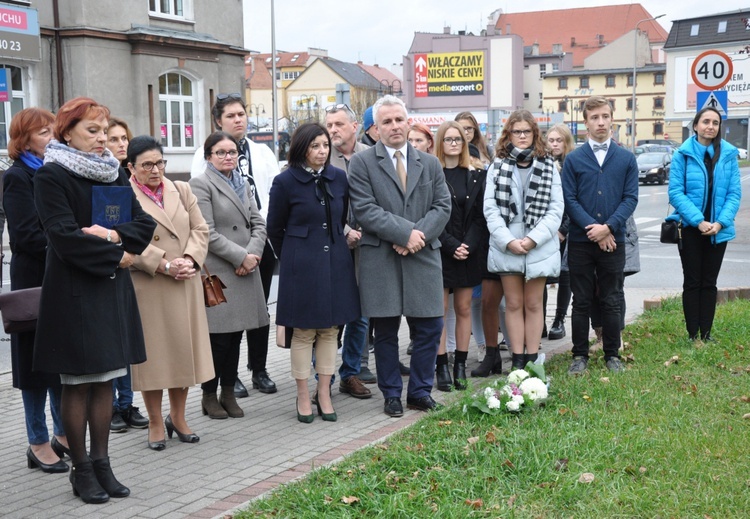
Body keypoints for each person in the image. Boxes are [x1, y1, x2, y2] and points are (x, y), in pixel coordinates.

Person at [33, 97, 156, 503]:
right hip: (74, 293)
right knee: (78, 383)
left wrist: (110, 237)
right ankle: (81, 469)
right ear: (67, 132)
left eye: (105, 131)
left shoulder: (112, 173)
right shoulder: (52, 176)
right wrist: (119, 255)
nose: (102, 139)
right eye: (92, 131)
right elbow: (64, 238)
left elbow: (143, 224)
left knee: (106, 379)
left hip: (111, 290)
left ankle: (103, 463)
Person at [349, 95, 451, 417]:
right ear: (375, 130)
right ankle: (392, 394)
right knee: (386, 332)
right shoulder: (362, 163)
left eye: (398, 120)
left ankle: (419, 392)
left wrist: (416, 237)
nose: (394, 126)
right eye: (386, 122)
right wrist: (404, 234)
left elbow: (442, 206)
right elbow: (365, 210)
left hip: (422, 256)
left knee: (430, 327)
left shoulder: (430, 163)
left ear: (408, 123)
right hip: (382, 259)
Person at [267, 122, 361, 423]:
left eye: (325, 146)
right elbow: (274, 229)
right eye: (315, 146)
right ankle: (303, 395)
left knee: (330, 330)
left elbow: (341, 218)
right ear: (301, 149)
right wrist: (293, 258)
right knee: (304, 331)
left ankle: (324, 392)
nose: (322, 152)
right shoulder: (285, 182)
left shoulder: (338, 178)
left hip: (335, 262)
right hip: (301, 267)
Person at [127, 136, 214, 450]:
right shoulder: (125, 196)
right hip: (150, 284)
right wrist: (163, 264)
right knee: (154, 361)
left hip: (184, 281)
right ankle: (154, 421)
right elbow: (123, 243)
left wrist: (190, 259)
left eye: (159, 162)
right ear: (131, 168)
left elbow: (200, 229)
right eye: (147, 164)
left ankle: (178, 417)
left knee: (182, 354)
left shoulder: (182, 189)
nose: (155, 170)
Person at [191, 93, 279, 399]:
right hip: (225, 259)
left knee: (258, 316)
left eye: (242, 114)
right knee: (226, 328)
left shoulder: (261, 154)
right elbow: (204, 223)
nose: (238, 119)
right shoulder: (202, 167)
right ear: (219, 121)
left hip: (257, 249)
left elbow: (266, 202)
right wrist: (241, 255)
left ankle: (260, 369)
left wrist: (254, 251)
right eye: (231, 115)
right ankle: (229, 380)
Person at [3, 107, 69, 474]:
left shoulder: (53, 173)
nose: (51, 138)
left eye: (52, 132)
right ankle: (38, 441)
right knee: (34, 367)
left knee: (60, 362)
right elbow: (26, 236)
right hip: (33, 278)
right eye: (43, 133)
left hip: (59, 274)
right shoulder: (17, 176)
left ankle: (63, 435)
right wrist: (68, 242)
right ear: (24, 139)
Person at [562, 96, 638, 374]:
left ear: (612, 120)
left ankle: (612, 354)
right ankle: (579, 355)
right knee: (580, 300)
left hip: (613, 240)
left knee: (612, 297)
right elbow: (569, 199)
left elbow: (630, 198)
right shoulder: (574, 159)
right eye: (594, 118)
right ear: (586, 123)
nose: (601, 122)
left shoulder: (626, 158)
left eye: (605, 116)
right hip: (582, 242)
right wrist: (593, 230)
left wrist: (609, 227)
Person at [484, 110, 563, 370]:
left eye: (526, 131)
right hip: (507, 244)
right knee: (513, 304)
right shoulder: (497, 165)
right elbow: (490, 209)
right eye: (516, 131)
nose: (521, 136)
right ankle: (517, 362)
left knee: (533, 303)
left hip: (539, 244)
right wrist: (508, 241)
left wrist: (531, 240)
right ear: (508, 134)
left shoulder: (549, 164)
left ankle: (533, 361)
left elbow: (555, 209)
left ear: (534, 134)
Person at [667, 106, 741, 341]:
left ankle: (706, 334)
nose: (710, 126)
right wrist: (698, 222)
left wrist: (719, 223)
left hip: (718, 231)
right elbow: (676, 192)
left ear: (719, 127)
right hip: (691, 229)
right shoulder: (683, 154)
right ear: (696, 125)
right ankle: (692, 333)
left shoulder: (729, 154)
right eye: (706, 121)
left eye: (715, 122)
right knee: (692, 281)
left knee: (710, 282)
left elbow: (734, 194)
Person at [324, 103, 375, 397]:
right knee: (330, 316)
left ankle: (351, 373)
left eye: (338, 124)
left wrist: (366, 231)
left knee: (361, 315)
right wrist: (345, 232)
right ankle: (325, 377)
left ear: (354, 127)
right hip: (332, 247)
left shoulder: (371, 157)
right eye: (329, 125)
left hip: (367, 247)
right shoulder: (320, 157)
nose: (333, 130)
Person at [434, 121, 486, 390]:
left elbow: (480, 217)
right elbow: (430, 215)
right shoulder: (431, 174)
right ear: (440, 143)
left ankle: (460, 366)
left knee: (464, 308)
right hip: (441, 251)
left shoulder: (476, 173)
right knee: (439, 311)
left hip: (468, 251)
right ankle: (441, 365)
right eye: (448, 139)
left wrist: (467, 245)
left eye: (458, 139)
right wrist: (450, 244)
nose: (454, 143)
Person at [105, 117, 149, 434]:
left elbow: (137, 223)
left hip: (125, 261)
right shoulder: (103, 176)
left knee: (125, 341)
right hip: (106, 264)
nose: (122, 144)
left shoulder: (121, 174)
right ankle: (112, 408)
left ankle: (126, 403)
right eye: (114, 138)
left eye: (124, 138)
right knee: (110, 343)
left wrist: (126, 243)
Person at [544, 123, 575, 341]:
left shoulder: (572, 163)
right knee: (543, 276)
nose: (555, 144)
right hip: (546, 229)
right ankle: (540, 323)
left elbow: (575, 201)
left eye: (559, 140)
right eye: (551, 140)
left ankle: (559, 319)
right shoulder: (543, 163)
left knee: (565, 275)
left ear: (566, 142)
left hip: (567, 229)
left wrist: (563, 230)